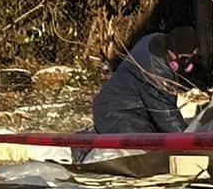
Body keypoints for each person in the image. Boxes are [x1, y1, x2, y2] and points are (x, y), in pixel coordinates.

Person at [85, 25, 202, 177]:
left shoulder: (154, 40)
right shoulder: (155, 71)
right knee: (146, 153)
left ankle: (92, 137)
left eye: (192, 59)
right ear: (170, 52)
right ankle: (81, 149)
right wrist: (189, 144)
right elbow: (165, 114)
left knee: (158, 140)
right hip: (118, 111)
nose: (187, 65)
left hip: (135, 109)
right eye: (183, 59)